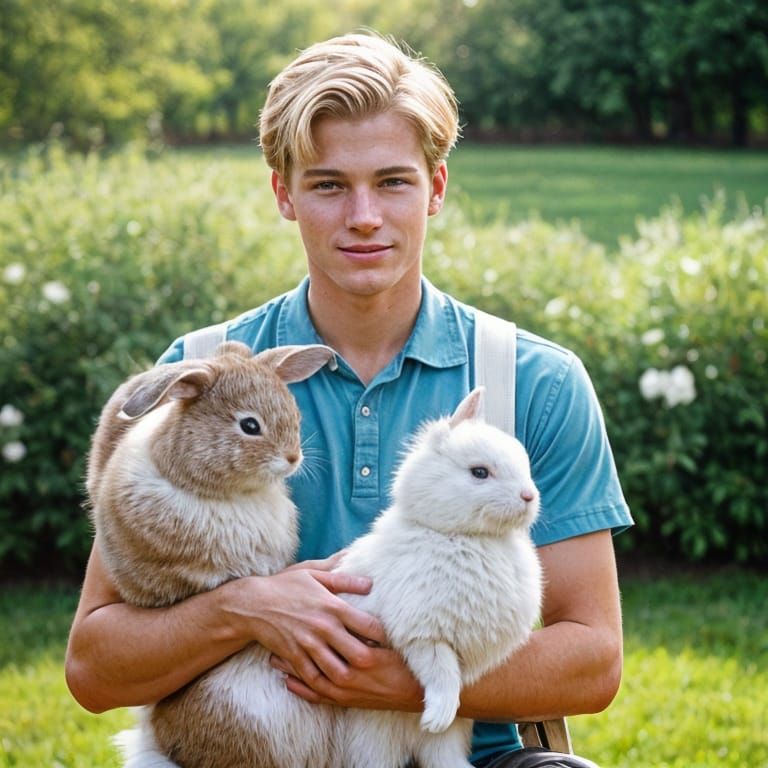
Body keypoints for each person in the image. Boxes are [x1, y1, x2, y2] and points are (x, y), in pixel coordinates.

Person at [66, 32, 633, 768]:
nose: (363, 215)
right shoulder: (199, 381)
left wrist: (398, 680)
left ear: (435, 188)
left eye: (393, 182)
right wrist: (245, 608)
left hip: (463, 753)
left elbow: (593, 661)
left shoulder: (536, 382)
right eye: (329, 184)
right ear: (284, 193)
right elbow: (95, 667)